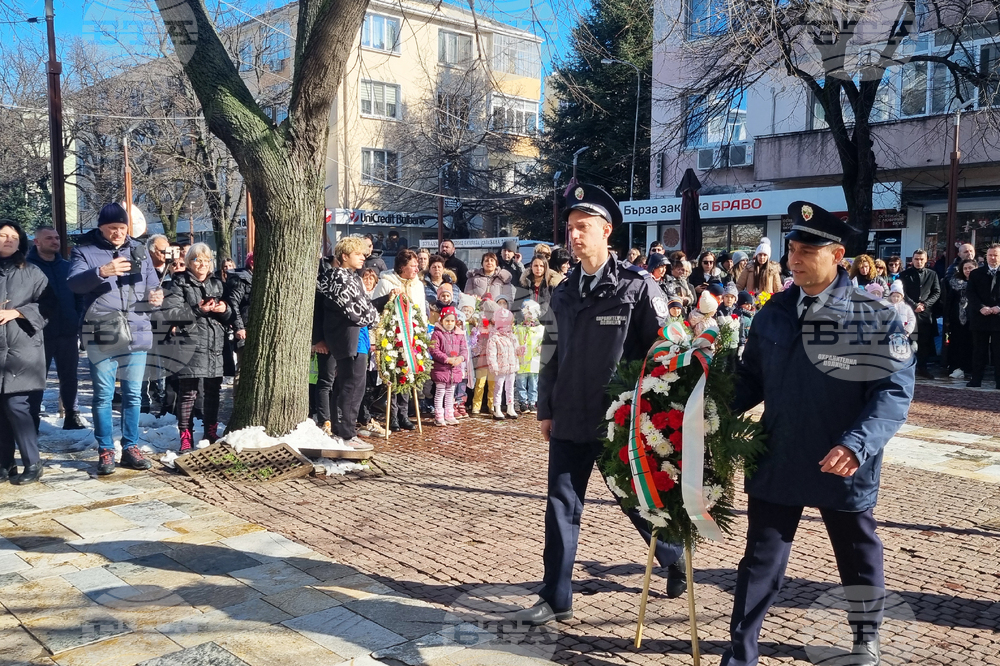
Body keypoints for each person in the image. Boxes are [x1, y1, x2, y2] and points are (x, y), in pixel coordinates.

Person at [722, 201, 914, 666]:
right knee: (760, 561)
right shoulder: (774, 311)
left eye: (808, 250)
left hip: (842, 458)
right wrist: (701, 410)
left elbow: (893, 393)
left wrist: (857, 444)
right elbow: (750, 380)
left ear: (838, 255)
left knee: (856, 553)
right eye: (792, 248)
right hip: (780, 452)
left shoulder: (875, 316)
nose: (795, 258)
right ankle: (741, 653)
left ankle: (865, 637)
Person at [513, 183, 685, 628]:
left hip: (619, 421)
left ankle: (673, 554)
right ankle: (555, 596)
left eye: (583, 227)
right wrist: (545, 408)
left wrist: (657, 417)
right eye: (570, 227)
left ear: (606, 231)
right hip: (570, 415)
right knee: (560, 505)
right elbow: (550, 352)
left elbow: (664, 355)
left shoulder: (637, 287)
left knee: (635, 500)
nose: (574, 235)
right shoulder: (564, 290)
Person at [68, 203, 162, 475]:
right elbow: (73, 284)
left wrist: (156, 296)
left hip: (136, 331)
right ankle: (105, 449)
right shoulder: (84, 251)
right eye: (112, 228)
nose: (119, 233)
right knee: (104, 396)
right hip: (102, 333)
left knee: (133, 395)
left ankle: (131, 446)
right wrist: (102, 271)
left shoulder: (139, 250)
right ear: (101, 228)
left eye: (122, 228)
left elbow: (152, 285)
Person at [157, 244, 233, 452]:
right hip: (189, 343)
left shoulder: (218, 283)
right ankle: (185, 436)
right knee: (188, 393)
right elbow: (171, 313)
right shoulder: (179, 282)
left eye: (206, 260)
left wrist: (224, 309)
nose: (202, 264)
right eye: (197, 260)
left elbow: (231, 314)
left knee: (213, 391)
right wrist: (198, 310)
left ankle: (210, 431)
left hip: (215, 343)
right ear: (189, 262)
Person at [0, 221, 53, 484]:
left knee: (16, 405)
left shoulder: (32, 272)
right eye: (3, 235)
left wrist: (17, 313)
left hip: (22, 348)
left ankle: (33, 463)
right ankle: (5, 463)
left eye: (13, 236)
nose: (8, 239)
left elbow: (49, 304)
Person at [317, 236, 380, 447]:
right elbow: (357, 311)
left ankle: (341, 429)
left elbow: (365, 306)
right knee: (351, 386)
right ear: (344, 256)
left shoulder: (352, 277)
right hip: (348, 339)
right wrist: (373, 316)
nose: (363, 257)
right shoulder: (339, 278)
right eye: (358, 254)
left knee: (349, 385)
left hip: (357, 338)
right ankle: (346, 433)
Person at [26, 226, 83, 430]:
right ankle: (32, 418)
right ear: (37, 242)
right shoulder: (27, 268)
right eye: (49, 238)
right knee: (36, 378)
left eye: (57, 238)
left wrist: (77, 319)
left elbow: (79, 296)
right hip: (38, 333)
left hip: (67, 331)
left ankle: (72, 415)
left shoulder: (67, 267)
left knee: (69, 376)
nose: (55, 241)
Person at [371, 249, 424, 431]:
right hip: (391, 337)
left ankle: (404, 414)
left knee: (408, 374)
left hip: (412, 337)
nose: (417, 269)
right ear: (402, 267)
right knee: (394, 374)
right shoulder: (386, 282)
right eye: (413, 265)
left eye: (417, 265)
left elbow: (421, 311)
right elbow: (376, 309)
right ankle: (392, 415)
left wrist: (422, 334)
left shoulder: (418, 285)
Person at [899, 249, 941, 380]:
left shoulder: (932, 274)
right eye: (916, 259)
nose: (919, 261)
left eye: (921, 259)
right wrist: (914, 305)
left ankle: (923, 368)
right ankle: (907, 368)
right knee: (908, 340)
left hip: (925, 314)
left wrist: (925, 304)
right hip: (908, 311)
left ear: (926, 260)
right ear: (912, 260)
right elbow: (902, 292)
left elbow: (936, 292)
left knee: (924, 342)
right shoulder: (904, 274)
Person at [966, 243, 1000, 388]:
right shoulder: (976, 273)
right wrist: (981, 307)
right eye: (990, 255)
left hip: (998, 318)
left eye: (996, 255)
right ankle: (976, 380)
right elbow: (970, 293)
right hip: (980, 317)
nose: (992, 258)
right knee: (979, 351)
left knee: (998, 352)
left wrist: (998, 307)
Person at [429, 305, 467, 427]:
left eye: (452, 321)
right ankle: (439, 415)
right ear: (442, 321)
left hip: (454, 369)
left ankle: (449, 414)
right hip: (441, 368)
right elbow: (434, 350)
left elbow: (464, 349)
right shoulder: (437, 334)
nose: (450, 323)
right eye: (447, 321)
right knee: (440, 392)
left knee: (450, 392)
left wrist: (460, 358)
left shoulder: (459, 334)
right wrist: (447, 359)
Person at [945, 258, 977, 380]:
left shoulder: (979, 282)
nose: (968, 270)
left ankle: (971, 369)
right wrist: (947, 318)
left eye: (970, 268)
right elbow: (949, 301)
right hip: (958, 318)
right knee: (957, 343)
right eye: (965, 268)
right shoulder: (955, 283)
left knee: (973, 344)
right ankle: (957, 368)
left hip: (975, 317)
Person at [486, 307, 519, 420]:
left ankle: (510, 407)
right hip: (500, 368)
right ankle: (497, 408)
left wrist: (520, 350)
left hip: (511, 366)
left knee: (510, 387)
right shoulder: (494, 338)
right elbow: (491, 354)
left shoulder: (512, 336)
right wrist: (494, 366)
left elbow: (516, 350)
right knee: (499, 388)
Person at [514, 300, 543, 413]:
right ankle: (523, 402)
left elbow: (544, 341)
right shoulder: (518, 328)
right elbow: (515, 340)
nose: (529, 316)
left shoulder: (540, 329)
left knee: (533, 383)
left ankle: (532, 402)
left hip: (534, 360)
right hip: (522, 359)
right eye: (527, 313)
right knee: (521, 382)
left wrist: (542, 347)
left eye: (531, 313)